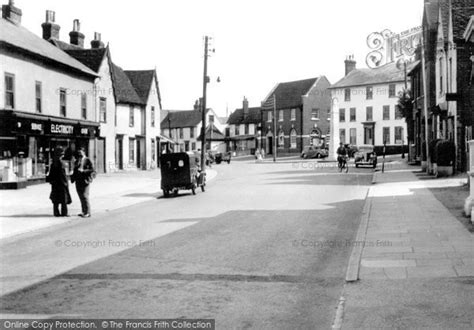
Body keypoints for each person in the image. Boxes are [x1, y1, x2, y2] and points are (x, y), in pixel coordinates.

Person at [46, 147, 71, 217]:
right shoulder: (61, 163)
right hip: (61, 184)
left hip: (55, 184)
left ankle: (56, 212)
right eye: (62, 154)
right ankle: (64, 213)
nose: (63, 156)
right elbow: (63, 175)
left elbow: (51, 174)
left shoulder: (53, 163)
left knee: (56, 199)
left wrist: (51, 181)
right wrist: (66, 183)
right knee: (63, 199)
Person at [71, 148, 95, 218]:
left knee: (85, 196)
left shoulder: (88, 160)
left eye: (81, 153)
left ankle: (88, 212)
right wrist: (72, 177)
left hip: (85, 180)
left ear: (84, 152)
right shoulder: (77, 161)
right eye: (78, 153)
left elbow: (92, 170)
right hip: (78, 181)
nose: (79, 155)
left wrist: (84, 171)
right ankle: (83, 211)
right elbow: (75, 170)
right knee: (81, 196)